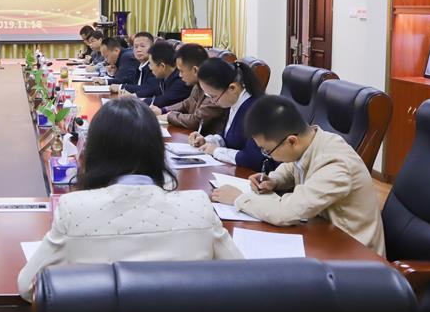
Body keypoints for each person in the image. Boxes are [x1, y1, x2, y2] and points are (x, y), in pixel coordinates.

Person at [17, 97, 242, 301]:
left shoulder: (74, 209)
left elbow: (29, 285)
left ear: (94, 152)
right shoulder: (198, 207)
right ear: (158, 151)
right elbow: (244, 280)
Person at [211, 96, 386, 256]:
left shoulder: (335, 163)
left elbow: (286, 212)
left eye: (267, 150)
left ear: (292, 141)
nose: (268, 155)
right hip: (325, 234)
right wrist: (274, 180)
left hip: (356, 256)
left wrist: (239, 199)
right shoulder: (311, 141)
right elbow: (293, 165)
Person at [188, 58, 278, 172]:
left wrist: (215, 151)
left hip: (255, 175)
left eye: (213, 97)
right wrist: (207, 141)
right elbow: (228, 138)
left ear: (232, 88)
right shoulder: (233, 103)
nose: (212, 102)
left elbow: (253, 159)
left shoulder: (257, 111)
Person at [162, 43, 228, 135]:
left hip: (210, 140)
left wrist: (169, 116)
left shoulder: (213, 87)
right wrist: (164, 110)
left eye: (181, 71)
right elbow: (187, 103)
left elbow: (196, 121)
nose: (180, 75)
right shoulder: (198, 84)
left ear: (195, 70)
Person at [138, 41, 192, 111]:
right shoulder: (164, 77)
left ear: (162, 66)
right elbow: (152, 90)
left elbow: (164, 100)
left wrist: (137, 102)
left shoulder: (181, 80)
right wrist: (134, 96)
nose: (150, 68)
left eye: (151, 64)